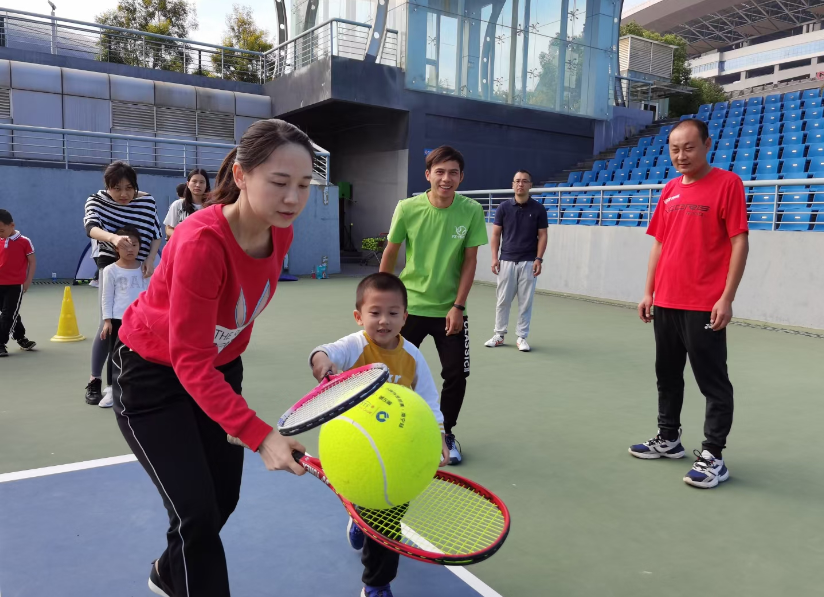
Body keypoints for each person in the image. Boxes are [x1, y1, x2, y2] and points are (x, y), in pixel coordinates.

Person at [112, 119, 313, 597]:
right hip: (151, 377)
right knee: (196, 515)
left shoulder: (279, 232)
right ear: (241, 175)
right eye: (280, 183)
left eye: (304, 185)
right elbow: (189, 362)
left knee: (223, 498)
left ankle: (167, 571)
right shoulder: (201, 241)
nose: (293, 198)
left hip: (218, 371)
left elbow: (225, 337)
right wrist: (260, 436)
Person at [309, 272, 449, 597]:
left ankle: (370, 554)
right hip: (357, 451)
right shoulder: (354, 346)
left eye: (392, 313)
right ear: (359, 317)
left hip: (398, 452)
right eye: (375, 313)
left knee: (389, 516)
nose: (383, 321)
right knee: (381, 520)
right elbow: (322, 353)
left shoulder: (412, 356)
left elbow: (428, 399)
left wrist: (440, 434)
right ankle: (376, 584)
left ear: (405, 317)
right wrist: (323, 364)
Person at [630, 118, 749, 490]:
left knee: (712, 381)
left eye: (689, 147)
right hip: (666, 301)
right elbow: (659, 245)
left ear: (707, 145)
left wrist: (726, 298)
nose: (681, 155)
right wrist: (649, 291)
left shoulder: (727, 184)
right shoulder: (669, 190)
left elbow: (739, 243)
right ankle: (669, 438)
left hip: (703, 304)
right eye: (674, 148)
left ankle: (714, 455)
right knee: (666, 374)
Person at [380, 145, 488, 465]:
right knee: (391, 371)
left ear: (461, 177)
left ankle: (447, 434)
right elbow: (390, 253)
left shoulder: (470, 210)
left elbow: (470, 261)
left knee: (455, 374)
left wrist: (458, 305)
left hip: (449, 311)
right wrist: (385, 302)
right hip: (409, 309)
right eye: (439, 172)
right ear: (428, 175)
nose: (446, 178)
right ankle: (394, 430)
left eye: (453, 172)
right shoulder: (407, 208)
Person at [83, 162, 162, 405]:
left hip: (140, 263)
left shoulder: (147, 202)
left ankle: (131, 379)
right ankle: (95, 380)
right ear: (107, 187)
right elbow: (91, 228)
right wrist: (114, 238)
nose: (124, 194)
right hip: (110, 258)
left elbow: (156, 233)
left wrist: (149, 259)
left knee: (139, 319)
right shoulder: (96, 200)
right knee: (108, 321)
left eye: (129, 188)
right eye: (116, 188)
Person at [485, 169, 548, 352]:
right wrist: (494, 258)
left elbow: (542, 236)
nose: (520, 184)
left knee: (525, 301)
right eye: (517, 181)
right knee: (503, 299)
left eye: (524, 181)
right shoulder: (503, 207)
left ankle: (521, 337)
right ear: (513, 184)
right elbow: (496, 234)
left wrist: (539, 259)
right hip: (506, 261)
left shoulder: (538, 209)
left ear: (530, 185)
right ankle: (499, 335)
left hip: (529, 262)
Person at [97, 225, 150, 408]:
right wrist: (107, 320)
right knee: (115, 355)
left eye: (134, 245)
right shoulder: (110, 270)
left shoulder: (144, 268)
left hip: (141, 321)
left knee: (140, 354)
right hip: (119, 320)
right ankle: (112, 389)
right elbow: (107, 296)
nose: (130, 249)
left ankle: (137, 388)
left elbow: (150, 295)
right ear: (116, 248)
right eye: (125, 245)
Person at [0, 209, 37, 358]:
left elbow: (32, 262)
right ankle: (21, 337)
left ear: (12, 225)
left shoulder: (24, 241)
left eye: (1, 230)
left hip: (15, 285)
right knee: (10, 312)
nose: (0, 233)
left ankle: (0, 343)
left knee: (8, 314)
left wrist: (28, 280)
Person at [165, 168, 211, 239]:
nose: (198, 185)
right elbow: (168, 229)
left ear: (206, 185)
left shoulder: (212, 207)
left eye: (201, 182)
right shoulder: (178, 205)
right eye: (194, 181)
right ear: (188, 184)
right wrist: (184, 236)